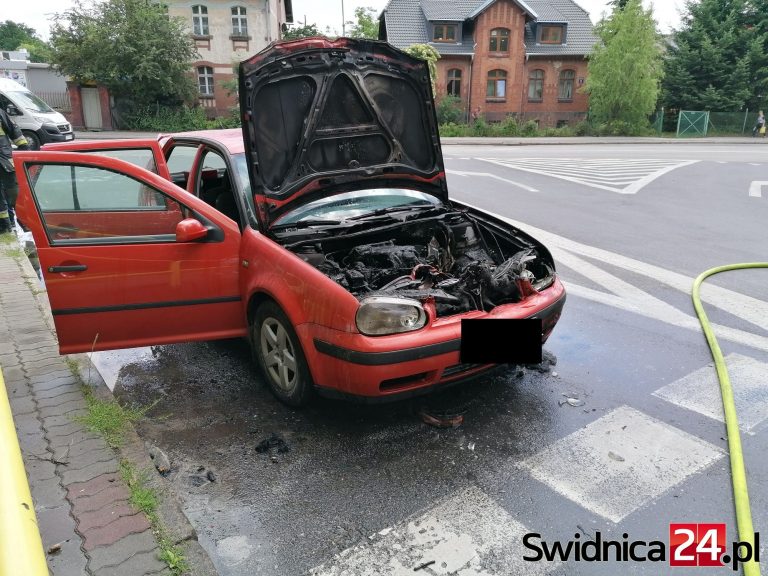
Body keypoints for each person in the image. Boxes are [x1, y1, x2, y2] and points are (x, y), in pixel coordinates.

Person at [0, 105, 29, 233]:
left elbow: (17, 135)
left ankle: (25, 227)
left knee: (14, 197)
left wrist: (24, 151)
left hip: (5, 163)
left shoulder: (0, 114)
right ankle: (9, 226)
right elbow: (16, 133)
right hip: (6, 162)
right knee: (11, 196)